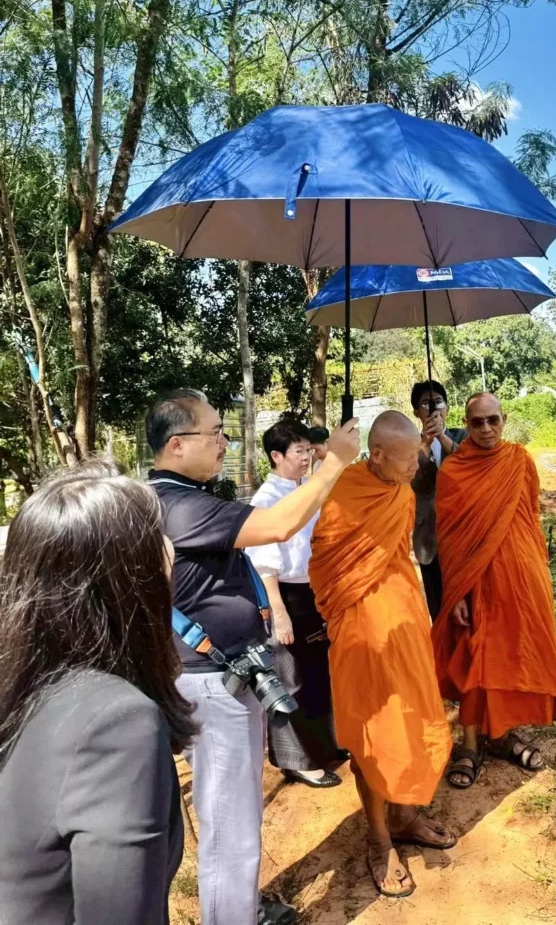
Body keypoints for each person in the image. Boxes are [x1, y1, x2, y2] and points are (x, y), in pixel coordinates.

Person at [145, 390, 359, 925]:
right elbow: (276, 525)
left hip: (223, 677)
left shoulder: (176, 496)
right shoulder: (177, 504)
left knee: (233, 815)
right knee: (230, 824)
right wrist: (334, 462)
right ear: (176, 444)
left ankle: (238, 905)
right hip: (212, 683)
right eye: (215, 432)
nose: (225, 441)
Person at [0, 459, 197, 925]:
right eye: (156, 541)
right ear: (128, 579)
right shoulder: (117, 721)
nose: (170, 554)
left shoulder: (24, 686)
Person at [309, 411, 454, 899]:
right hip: (361, 635)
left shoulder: (404, 489)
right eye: (407, 457)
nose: (417, 464)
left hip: (406, 624)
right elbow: (328, 566)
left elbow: (401, 556)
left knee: (412, 717)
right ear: (377, 456)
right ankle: (379, 840)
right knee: (372, 733)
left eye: (418, 453)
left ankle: (405, 813)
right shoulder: (344, 494)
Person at [432, 392, 556, 789]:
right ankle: (469, 744)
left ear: (504, 419)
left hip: (521, 577)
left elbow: (529, 514)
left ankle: (500, 734)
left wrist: (536, 573)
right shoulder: (453, 471)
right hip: (476, 581)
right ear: (466, 422)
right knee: (478, 656)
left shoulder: (519, 460)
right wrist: (458, 591)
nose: (485, 429)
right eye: (476, 422)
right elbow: (449, 537)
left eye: (492, 420)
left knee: (511, 655)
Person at [246, 419, 344, 788]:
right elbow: (265, 563)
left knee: (319, 672)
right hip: (285, 595)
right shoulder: (266, 501)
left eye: (308, 450)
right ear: (276, 456)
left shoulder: (306, 491)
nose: (306, 457)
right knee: (291, 679)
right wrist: (280, 614)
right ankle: (296, 760)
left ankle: (323, 746)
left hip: (314, 591)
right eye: (299, 451)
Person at [410, 380, 467, 621]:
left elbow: (468, 464)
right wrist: (425, 442)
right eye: (425, 404)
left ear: (448, 408)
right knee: (439, 606)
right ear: (416, 412)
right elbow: (410, 477)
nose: (432, 409)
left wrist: (442, 436)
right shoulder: (410, 444)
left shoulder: (463, 436)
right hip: (429, 538)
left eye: (438, 402)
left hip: (463, 532)